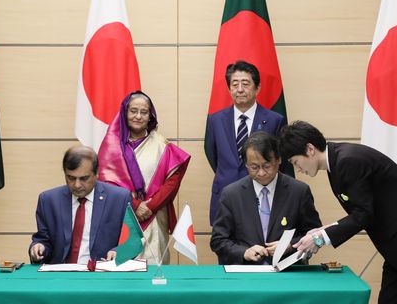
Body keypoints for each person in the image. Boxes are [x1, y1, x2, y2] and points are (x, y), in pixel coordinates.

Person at [279, 120, 397, 304]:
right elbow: (360, 211)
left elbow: (364, 215)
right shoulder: (336, 162)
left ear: (309, 149)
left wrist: (320, 238)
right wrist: (322, 231)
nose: (297, 169)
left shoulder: (347, 161)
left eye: (295, 161)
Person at [97, 91, 190, 264]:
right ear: (125, 113)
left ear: (150, 116)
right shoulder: (111, 146)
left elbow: (173, 179)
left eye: (144, 112)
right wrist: (136, 206)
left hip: (154, 216)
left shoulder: (162, 144)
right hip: (122, 216)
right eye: (133, 111)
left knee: (154, 266)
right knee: (121, 265)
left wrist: (150, 207)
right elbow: (106, 183)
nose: (138, 116)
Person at [210, 131, 321, 265]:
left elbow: (314, 234)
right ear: (246, 164)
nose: (261, 173)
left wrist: (290, 245)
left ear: (279, 159)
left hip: (288, 273)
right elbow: (218, 240)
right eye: (254, 167)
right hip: (246, 275)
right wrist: (243, 252)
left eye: (267, 166)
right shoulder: (231, 194)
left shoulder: (299, 191)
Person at [205, 60, 286, 225]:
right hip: (224, 197)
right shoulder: (215, 120)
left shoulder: (274, 120)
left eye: (245, 84)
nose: (239, 89)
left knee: (259, 248)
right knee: (226, 247)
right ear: (229, 88)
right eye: (234, 84)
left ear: (257, 88)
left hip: (262, 196)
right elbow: (213, 155)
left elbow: (280, 161)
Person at [29, 145, 131, 264]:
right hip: (60, 274)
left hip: (101, 274)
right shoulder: (48, 200)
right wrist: (38, 247)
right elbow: (43, 240)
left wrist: (119, 251)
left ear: (97, 173)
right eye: (71, 178)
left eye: (84, 178)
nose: (77, 185)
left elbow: (131, 242)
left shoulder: (119, 199)